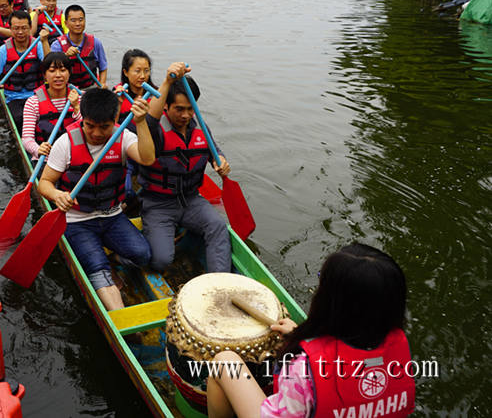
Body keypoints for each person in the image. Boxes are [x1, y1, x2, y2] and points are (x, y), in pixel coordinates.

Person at [207, 243, 416, 418]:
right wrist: (301, 337)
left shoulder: (303, 369)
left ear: (331, 302)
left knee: (223, 361)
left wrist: (302, 349)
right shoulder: (398, 343)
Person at [37, 88, 155, 311]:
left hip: (112, 215)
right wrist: (57, 195)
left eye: (104, 127)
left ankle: (110, 258)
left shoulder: (123, 136)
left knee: (143, 255)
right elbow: (44, 183)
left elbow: (147, 158)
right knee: (97, 268)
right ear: (82, 118)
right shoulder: (65, 143)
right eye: (90, 126)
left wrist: (140, 122)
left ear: (115, 120)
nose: (97, 133)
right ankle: (121, 322)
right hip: (76, 220)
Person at [138, 63, 231, 272]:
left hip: (191, 200)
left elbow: (216, 153)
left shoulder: (200, 129)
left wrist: (221, 163)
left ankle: (220, 282)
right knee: (162, 260)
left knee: (217, 227)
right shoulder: (154, 129)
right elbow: (150, 119)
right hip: (158, 204)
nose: (186, 115)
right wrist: (167, 81)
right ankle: (140, 247)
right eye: (179, 109)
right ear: (166, 107)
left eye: (190, 109)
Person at [0, 10, 50, 133]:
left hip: (37, 94)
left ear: (30, 28)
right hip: (13, 97)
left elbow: (50, 66)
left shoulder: (37, 45)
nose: (20, 32)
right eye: (16, 28)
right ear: (10, 29)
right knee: (19, 119)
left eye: (24, 28)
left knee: (47, 118)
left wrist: (45, 42)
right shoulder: (3, 50)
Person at [22, 52, 81, 160]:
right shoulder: (33, 102)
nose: (58, 75)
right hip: (47, 158)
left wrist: (76, 107)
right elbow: (27, 138)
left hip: (75, 157)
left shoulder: (80, 98)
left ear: (69, 73)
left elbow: (90, 131)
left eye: (63, 70)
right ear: (44, 75)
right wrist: (38, 149)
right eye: (52, 71)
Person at [50, 4, 108, 89]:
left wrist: (102, 84)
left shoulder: (96, 42)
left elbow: (103, 68)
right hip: (67, 89)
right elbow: (52, 71)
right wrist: (65, 56)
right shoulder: (57, 45)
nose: (78, 24)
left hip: (91, 88)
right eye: (73, 20)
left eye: (81, 20)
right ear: (66, 23)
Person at [114, 49, 156, 133]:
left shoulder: (155, 96)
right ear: (126, 72)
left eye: (146, 71)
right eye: (137, 71)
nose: (143, 76)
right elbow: (111, 126)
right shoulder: (118, 93)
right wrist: (118, 104)